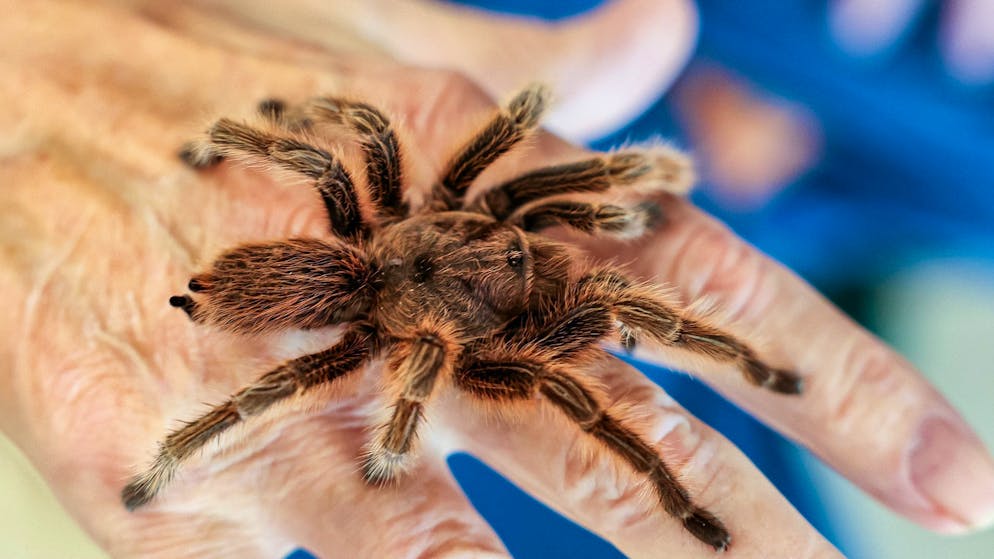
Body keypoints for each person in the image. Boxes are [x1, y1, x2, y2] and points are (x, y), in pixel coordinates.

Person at [1, 2, 991, 557]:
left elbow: (486, 147)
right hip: (376, 290)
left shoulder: (464, 227)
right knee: (569, 408)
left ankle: (708, 136)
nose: (531, 253)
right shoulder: (432, 325)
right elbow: (429, 339)